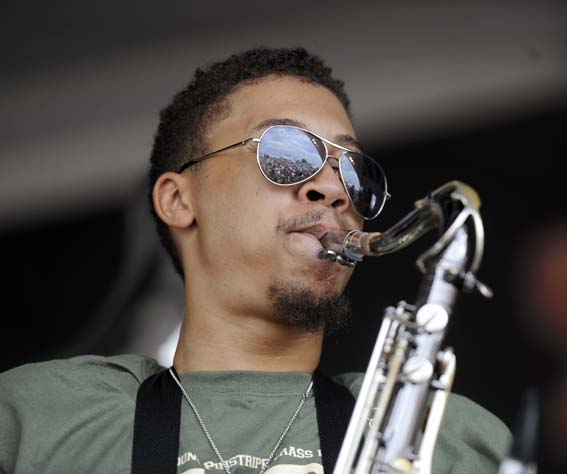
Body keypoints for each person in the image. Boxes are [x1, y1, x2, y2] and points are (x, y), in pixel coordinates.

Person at [0, 47, 511, 474]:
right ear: (180, 200)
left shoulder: (454, 442)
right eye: (286, 153)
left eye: (354, 172)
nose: (333, 189)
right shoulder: (35, 416)